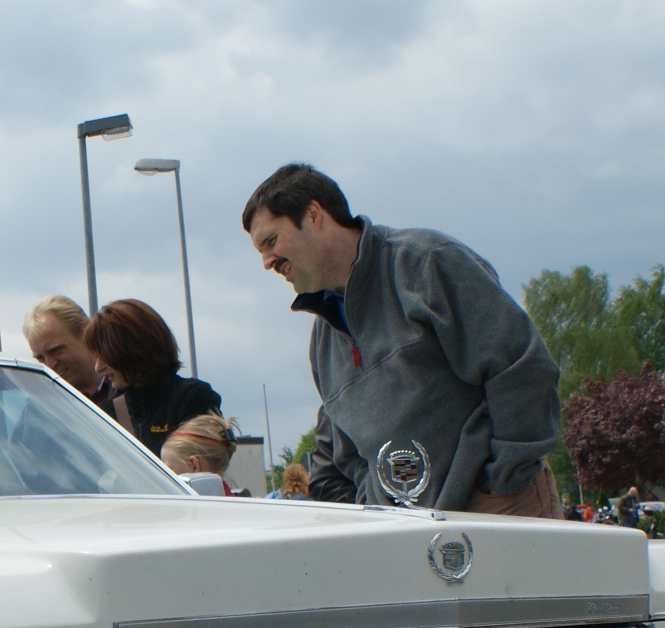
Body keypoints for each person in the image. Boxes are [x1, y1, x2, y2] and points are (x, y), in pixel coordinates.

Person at [240, 164, 563, 516]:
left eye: (271, 241)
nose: (267, 262)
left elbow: (521, 368)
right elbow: (344, 453)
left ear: (314, 215)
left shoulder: (426, 264)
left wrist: (503, 482)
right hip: (408, 532)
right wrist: (378, 506)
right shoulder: (322, 343)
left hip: (498, 507)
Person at [81, 299, 220, 457]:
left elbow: (197, 466)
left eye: (106, 356)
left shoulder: (193, 398)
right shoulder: (107, 413)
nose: (98, 368)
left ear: (132, 350)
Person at [22, 294, 128, 432]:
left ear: (84, 334)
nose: (49, 365)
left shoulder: (130, 384)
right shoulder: (40, 408)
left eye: (55, 350)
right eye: (40, 358)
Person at [161, 414, 242, 495]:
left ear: (194, 466)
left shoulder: (191, 502)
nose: (163, 476)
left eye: (169, 471)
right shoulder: (228, 500)